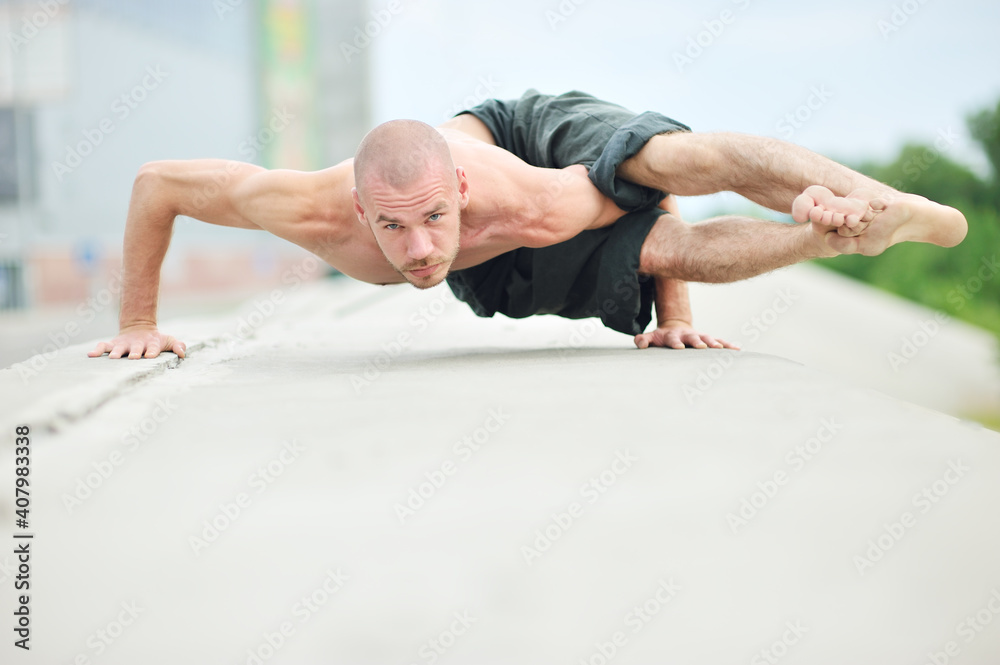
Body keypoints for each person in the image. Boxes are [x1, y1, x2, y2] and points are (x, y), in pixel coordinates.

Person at [88, 90, 967, 360]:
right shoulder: (303, 208)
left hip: (530, 142)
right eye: (394, 230)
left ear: (461, 191)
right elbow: (155, 182)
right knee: (652, 243)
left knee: (661, 163)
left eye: (434, 218)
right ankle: (832, 233)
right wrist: (136, 321)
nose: (421, 248)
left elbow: (650, 202)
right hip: (498, 264)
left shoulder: (530, 198)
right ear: (358, 213)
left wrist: (678, 317)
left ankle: (867, 200)